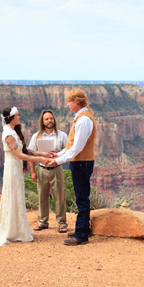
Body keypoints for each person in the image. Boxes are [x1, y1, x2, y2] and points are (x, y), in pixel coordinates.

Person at [0, 107, 47, 247]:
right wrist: (41, 160)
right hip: (12, 168)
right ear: (11, 117)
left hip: (16, 168)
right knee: (13, 194)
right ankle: (12, 230)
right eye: (17, 115)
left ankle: (18, 229)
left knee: (17, 195)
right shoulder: (8, 134)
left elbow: (25, 150)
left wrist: (44, 155)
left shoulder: (13, 132)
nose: (19, 117)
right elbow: (19, 155)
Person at [43, 88, 97, 246]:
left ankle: (81, 235)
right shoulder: (81, 117)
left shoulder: (84, 120)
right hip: (80, 161)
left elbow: (77, 148)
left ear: (77, 101)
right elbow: (71, 145)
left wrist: (58, 161)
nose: (67, 104)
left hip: (81, 162)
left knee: (82, 198)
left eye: (69, 101)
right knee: (82, 196)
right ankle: (83, 229)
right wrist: (58, 154)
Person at [27, 109, 69, 233]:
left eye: (51, 118)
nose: (49, 120)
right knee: (42, 196)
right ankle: (42, 222)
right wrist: (33, 172)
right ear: (42, 121)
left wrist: (58, 155)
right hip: (42, 170)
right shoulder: (36, 136)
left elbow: (68, 151)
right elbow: (30, 154)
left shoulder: (62, 135)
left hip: (57, 169)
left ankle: (62, 223)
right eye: (46, 119)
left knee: (59, 196)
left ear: (54, 119)